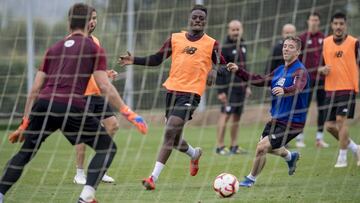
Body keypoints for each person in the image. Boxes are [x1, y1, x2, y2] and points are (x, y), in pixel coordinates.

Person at [1, 3, 147, 203]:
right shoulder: (93, 47)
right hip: (71, 106)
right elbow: (104, 86)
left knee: (25, 152)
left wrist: (25, 123)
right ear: (89, 23)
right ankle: (87, 195)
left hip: (43, 105)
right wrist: (128, 112)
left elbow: (35, 89)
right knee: (107, 148)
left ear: (69, 23)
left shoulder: (54, 48)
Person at [118, 4, 226, 190]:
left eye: (201, 17)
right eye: (195, 17)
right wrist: (134, 60)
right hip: (171, 91)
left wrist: (215, 70)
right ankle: (194, 154)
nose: (198, 20)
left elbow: (224, 66)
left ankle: (152, 178)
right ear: (189, 19)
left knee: (169, 131)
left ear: (205, 21)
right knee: (174, 139)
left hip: (191, 94)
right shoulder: (175, 39)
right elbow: (156, 59)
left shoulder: (212, 44)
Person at [227, 36, 310, 187]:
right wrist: (239, 71)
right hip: (277, 119)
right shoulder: (279, 70)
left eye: (291, 47)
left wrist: (285, 90)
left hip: (293, 122)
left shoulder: (300, 71)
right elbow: (259, 80)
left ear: (298, 51)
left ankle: (250, 179)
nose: (286, 48)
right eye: (285, 46)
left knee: (261, 147)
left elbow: (298, 87)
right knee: (267, 147)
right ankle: (291, 157)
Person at [73, 6, 117, 185]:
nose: (93, 22)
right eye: (90, 18)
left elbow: (94, 67)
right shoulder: (74, 41)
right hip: (81, 95)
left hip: (97, 93)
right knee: (83, 133)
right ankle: (79, 173)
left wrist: (106, 73)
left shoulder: (95, 40)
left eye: (95, 18)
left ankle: (99, 169)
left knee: (112, 125)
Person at [318, 12, 360, 168]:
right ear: (331, 25)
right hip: (330, 89)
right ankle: (355, 148)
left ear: (345, 25)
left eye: (341, 24)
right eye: (335, 24)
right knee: (329, 126)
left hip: (348, 88)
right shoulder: (325, 42)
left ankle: (342, 157)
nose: (338, 27)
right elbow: (319, 66)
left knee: (341, 121)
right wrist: (322, 70)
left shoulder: (354, 43)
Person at [215, 20, 251, 155]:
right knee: (225, 115)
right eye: (233, 30)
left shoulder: (243, 44)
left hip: (241, 88)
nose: (236, 32)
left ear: (241, 29)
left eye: (238, 29)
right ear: (228, 31)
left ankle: (234, 146)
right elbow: (219, 70)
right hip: (228, 89)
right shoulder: (224, 47)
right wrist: (221, 91)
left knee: (237, 117)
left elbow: (245, 67)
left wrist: (247, 85)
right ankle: (220, 146)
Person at [296, 12, 328, 148]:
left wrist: (325, 68)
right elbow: (298, 60)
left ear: (319, 22)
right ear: (308, 21)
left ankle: (319, 138)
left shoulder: (324, 39)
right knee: (303, 107)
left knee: (323, 108)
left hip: (322, 79)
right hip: (307, 79)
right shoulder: (302, 38)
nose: (314, 22)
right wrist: (316, 69)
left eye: (316, 19)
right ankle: (299, 138)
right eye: (312, 20)